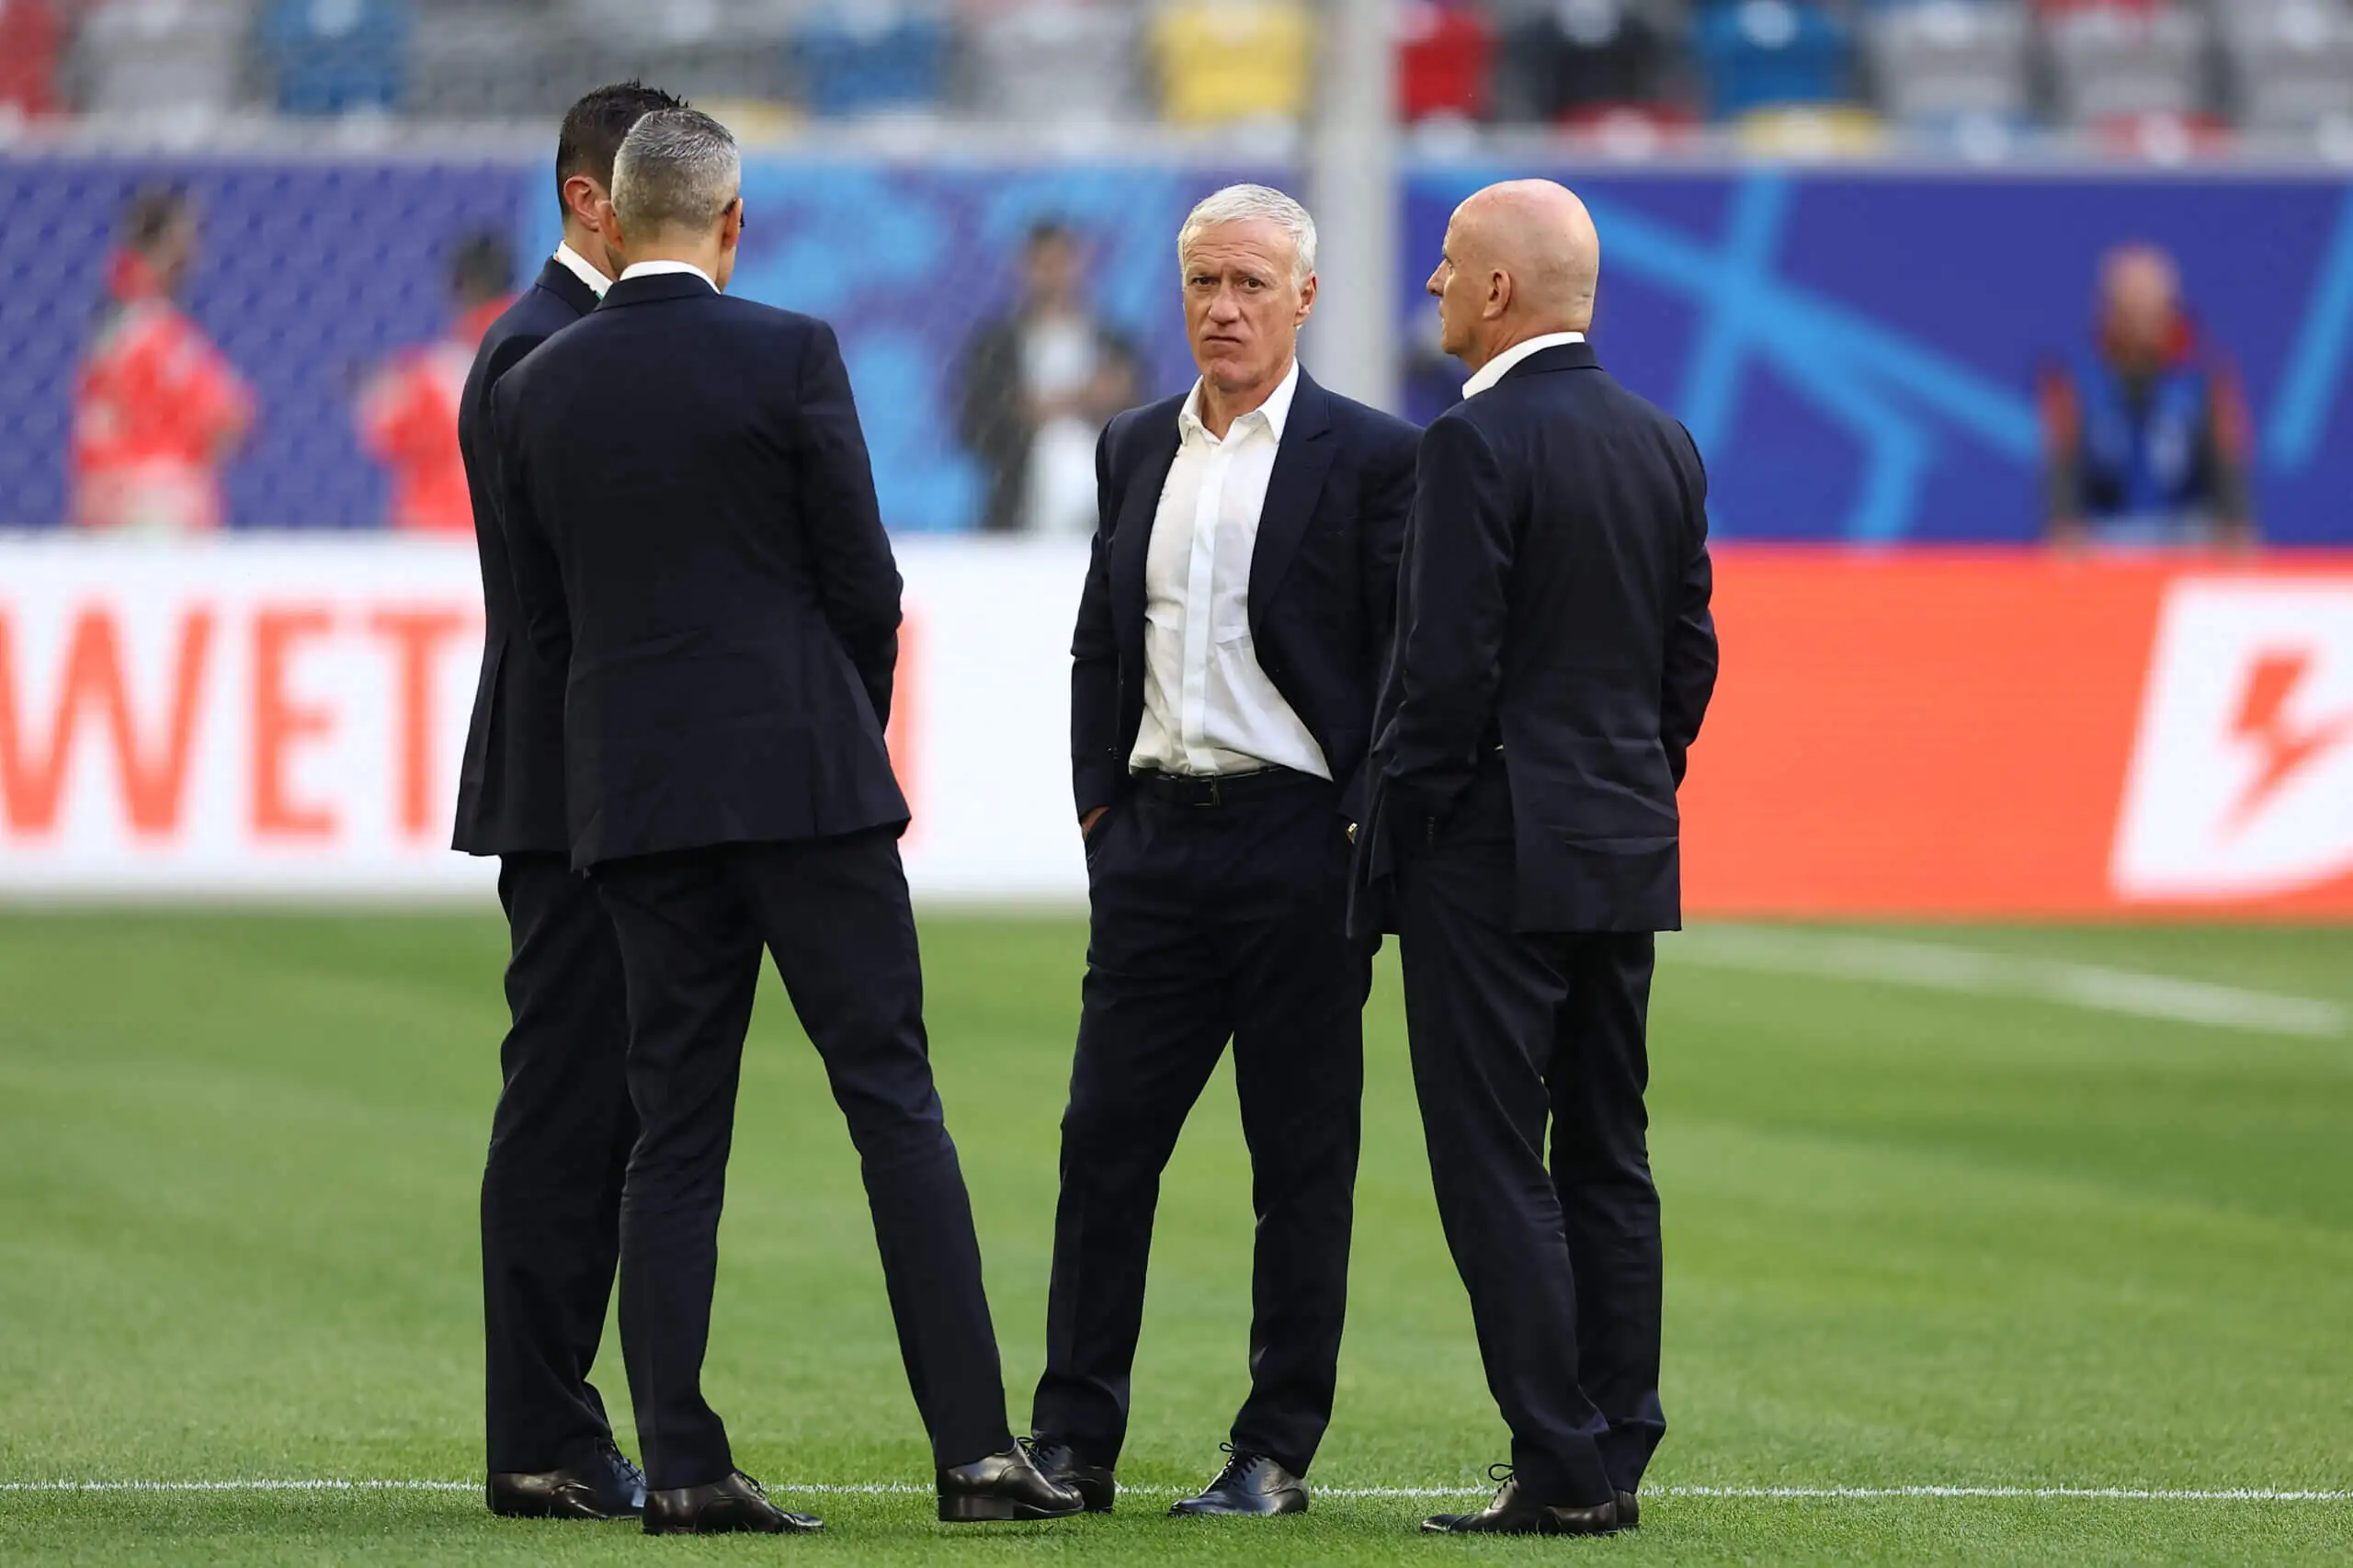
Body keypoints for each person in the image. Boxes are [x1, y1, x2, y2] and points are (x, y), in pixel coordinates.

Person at [490, 108, 1082, 1536]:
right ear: (733, 222)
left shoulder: (537, 384)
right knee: (892, 1101)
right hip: (805, 786)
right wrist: (835, 716)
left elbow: (549, 621)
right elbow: (863, 583)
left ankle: (684, 1464)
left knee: (674, 1132)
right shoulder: (790, 352)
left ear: (614, 221)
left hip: (635, 804)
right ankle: (975, 1451)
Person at [1029, 184, 1419, 1518]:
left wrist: (1360, 831)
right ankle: (1073, 1442)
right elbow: (1101, 636)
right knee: (1102, 1144)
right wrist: (1100, 810)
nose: (1224, 307)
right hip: (1153, 847)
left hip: (1297, 847)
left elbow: (1399, 668)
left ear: (1305, 296)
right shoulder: (1134, 443)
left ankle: (1274, 1448)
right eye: (1204, 281)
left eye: (1251, 283)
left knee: (1298, 1163)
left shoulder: (1370, 456)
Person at [1353, 179, 1717, 1538]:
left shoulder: (1471, 445)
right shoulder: (1665, 442)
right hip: (1619, 843)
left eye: (1448, 267)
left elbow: (1445, 673)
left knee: (1495, 1155)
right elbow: (1690, 662)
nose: (1435, 288)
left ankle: (1556, 1461)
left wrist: (1414, 820)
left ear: (1500, 291)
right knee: (1609, 1151)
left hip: (1491, 857)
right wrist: (1627, 781)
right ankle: (1615, 1443)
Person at [456, 79, 681, 1525]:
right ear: (588, 201)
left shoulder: (565, 346)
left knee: (598, 1108)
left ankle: (558, 1420)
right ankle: (541, 1432)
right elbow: (565, 612)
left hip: (599, 783)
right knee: (566, 1110)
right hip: (575, 790)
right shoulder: (540, 351)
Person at [2040, 244, 2256, 550]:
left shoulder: (2207, 383)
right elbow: (2063, 494)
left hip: (2188, 544)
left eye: (2152, 305)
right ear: (2107, 309)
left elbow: (2231, 490)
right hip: (2105, 546)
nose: (2142, 318)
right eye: (2131, 305)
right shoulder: (2071, 385)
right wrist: (2066, 537)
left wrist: (2237, 534)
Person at [70, 187, 253, 534]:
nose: (197, 252)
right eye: (186, 238)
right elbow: (228, 421)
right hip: (145, 501)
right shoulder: (146, 326)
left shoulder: (131, 316)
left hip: (117, 494)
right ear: (160, 243)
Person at [955, 221, 1142, 535]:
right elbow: (975, 425)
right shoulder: (997, 349)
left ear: (1080, 264)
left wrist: (1111, 404)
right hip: (1020, 508)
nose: (1054, 275)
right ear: (1024, 269)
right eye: (1043, 264)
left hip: (1104, 514)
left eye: (1062, 262)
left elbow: (1145, 421)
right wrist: (1022, 412)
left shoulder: (1114, 345)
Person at [359, 230, 515, 535]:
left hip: (439, 540)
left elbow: (382, 433)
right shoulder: (551, 352)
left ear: (463, 289)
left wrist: (383, 388)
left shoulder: (433, 375)